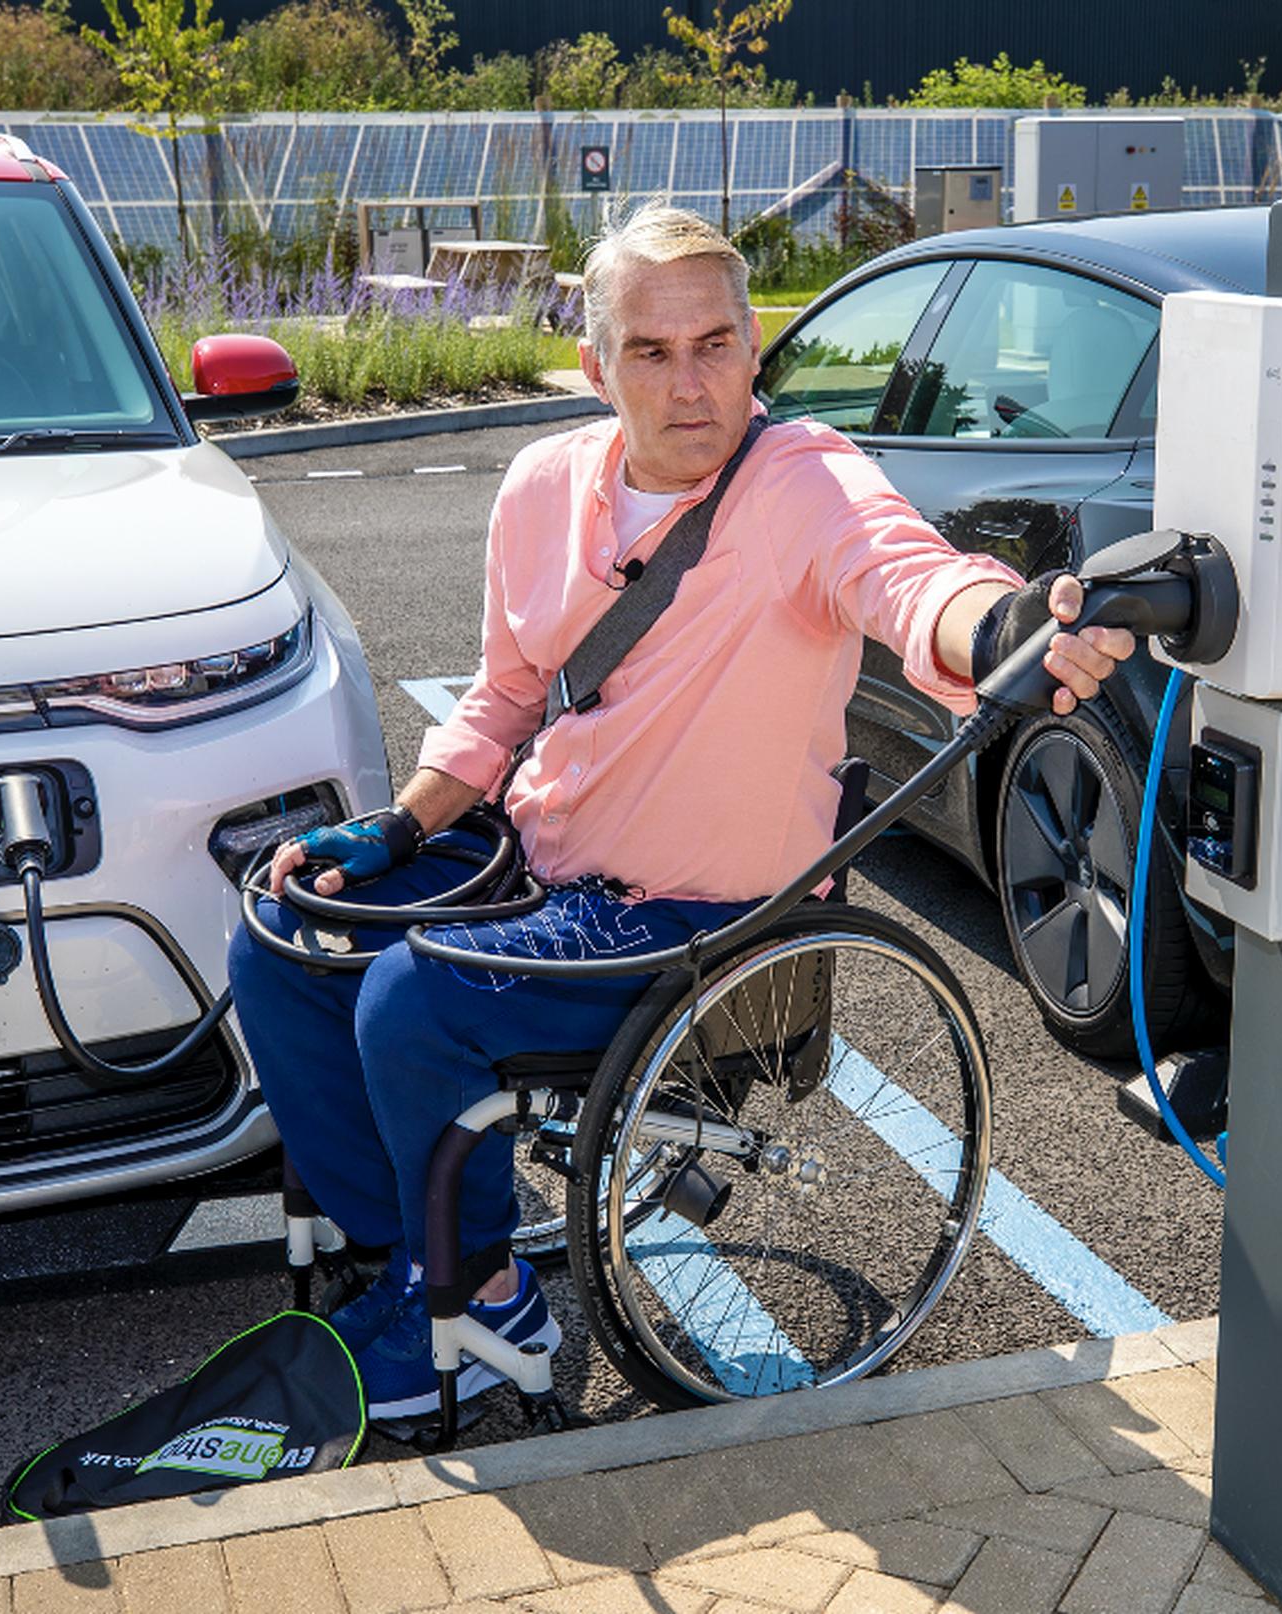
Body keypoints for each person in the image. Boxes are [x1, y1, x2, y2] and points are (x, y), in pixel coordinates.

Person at [226, 206, 1136, 1423]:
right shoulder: (544, 484)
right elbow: (502, 700)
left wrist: (1010, 626)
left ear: (752, 348)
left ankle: (478, 1293)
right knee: (285, 935)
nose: (690, 382)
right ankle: (415, 1245)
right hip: (542, 867)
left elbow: (911, 577)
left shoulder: (800, 481)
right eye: (650, 353)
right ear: (595, 366)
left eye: (715, 343)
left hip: (698, 921)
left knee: (413, 999)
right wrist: (392, 830)